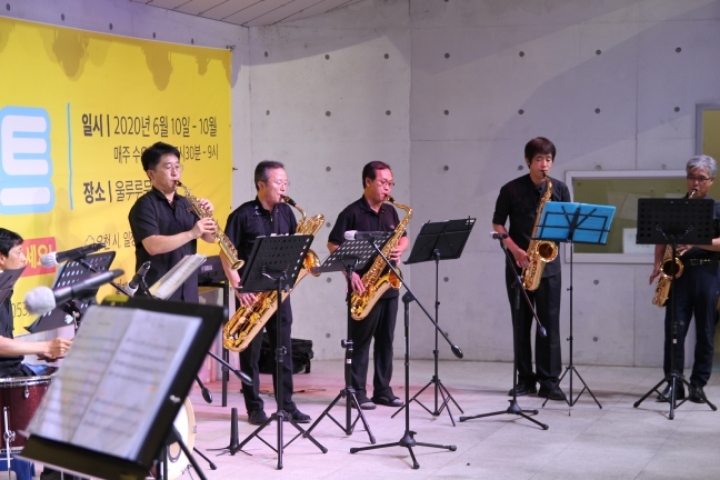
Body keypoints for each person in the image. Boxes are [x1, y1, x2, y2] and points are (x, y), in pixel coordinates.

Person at [219, 160, 311, 425]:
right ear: (261, 184)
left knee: (283, 350)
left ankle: (287, 405)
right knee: (251, 354)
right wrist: (238, 286)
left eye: (285, 183)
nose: (284, 188)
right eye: (278, 182)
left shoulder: (286, 213)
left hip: (279, 293)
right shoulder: (243, 215)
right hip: (251, 294)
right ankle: (254, 407)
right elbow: (225, 251)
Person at [491, 137, 571, 401]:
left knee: (550, 324)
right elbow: (498, 224)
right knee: (521, 324)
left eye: (548, 159)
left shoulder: (559, 189)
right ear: (528, 161)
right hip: (518, 264)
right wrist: (516, 250)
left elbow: (566, 226)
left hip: (548, 265)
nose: (544, 164)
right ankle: (525, 380)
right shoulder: (511, 189)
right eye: (539, 159)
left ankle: (549, 381)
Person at [327, 161, 409, 410]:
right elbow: (333, 244)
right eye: (383, 183)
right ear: (368, 182)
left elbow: (403, 238)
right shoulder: (351, 213)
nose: (388, 188)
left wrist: (400, 249)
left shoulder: (390, 211)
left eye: (390, 183)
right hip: (363, 287)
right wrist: (349, 272)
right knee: (360, 343)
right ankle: (356, 391)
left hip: (388, 284)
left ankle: (382, 390)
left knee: (386, 341)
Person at [648, 154, 720, 404]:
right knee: (674, 331)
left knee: (705, 331)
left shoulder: (717, 208)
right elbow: (661, 238)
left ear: (711, 180)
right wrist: (657, 264)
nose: (695, 183)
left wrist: (695, 242)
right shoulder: (674, 207)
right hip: (678, 274)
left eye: (701, 178)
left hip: (707, 273)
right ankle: (674, 384)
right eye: (691, 177)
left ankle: (698, 385)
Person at [128, 142, 217, 302]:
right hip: (157, 295)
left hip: (188, 292)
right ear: (151, 174)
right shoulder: (144, 206)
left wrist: (209, 217)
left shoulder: (186, 203)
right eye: (168, 167)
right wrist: (191, 234)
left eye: (177, 166)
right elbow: (153, 246)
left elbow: (210, 238)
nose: (175, 172)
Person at [0, 228, 72, 377]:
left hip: (13, 368)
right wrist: (46, 346)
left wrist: (40, 349)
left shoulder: (5, 287)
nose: (24, 258)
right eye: (19, 252)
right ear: (1, 258)